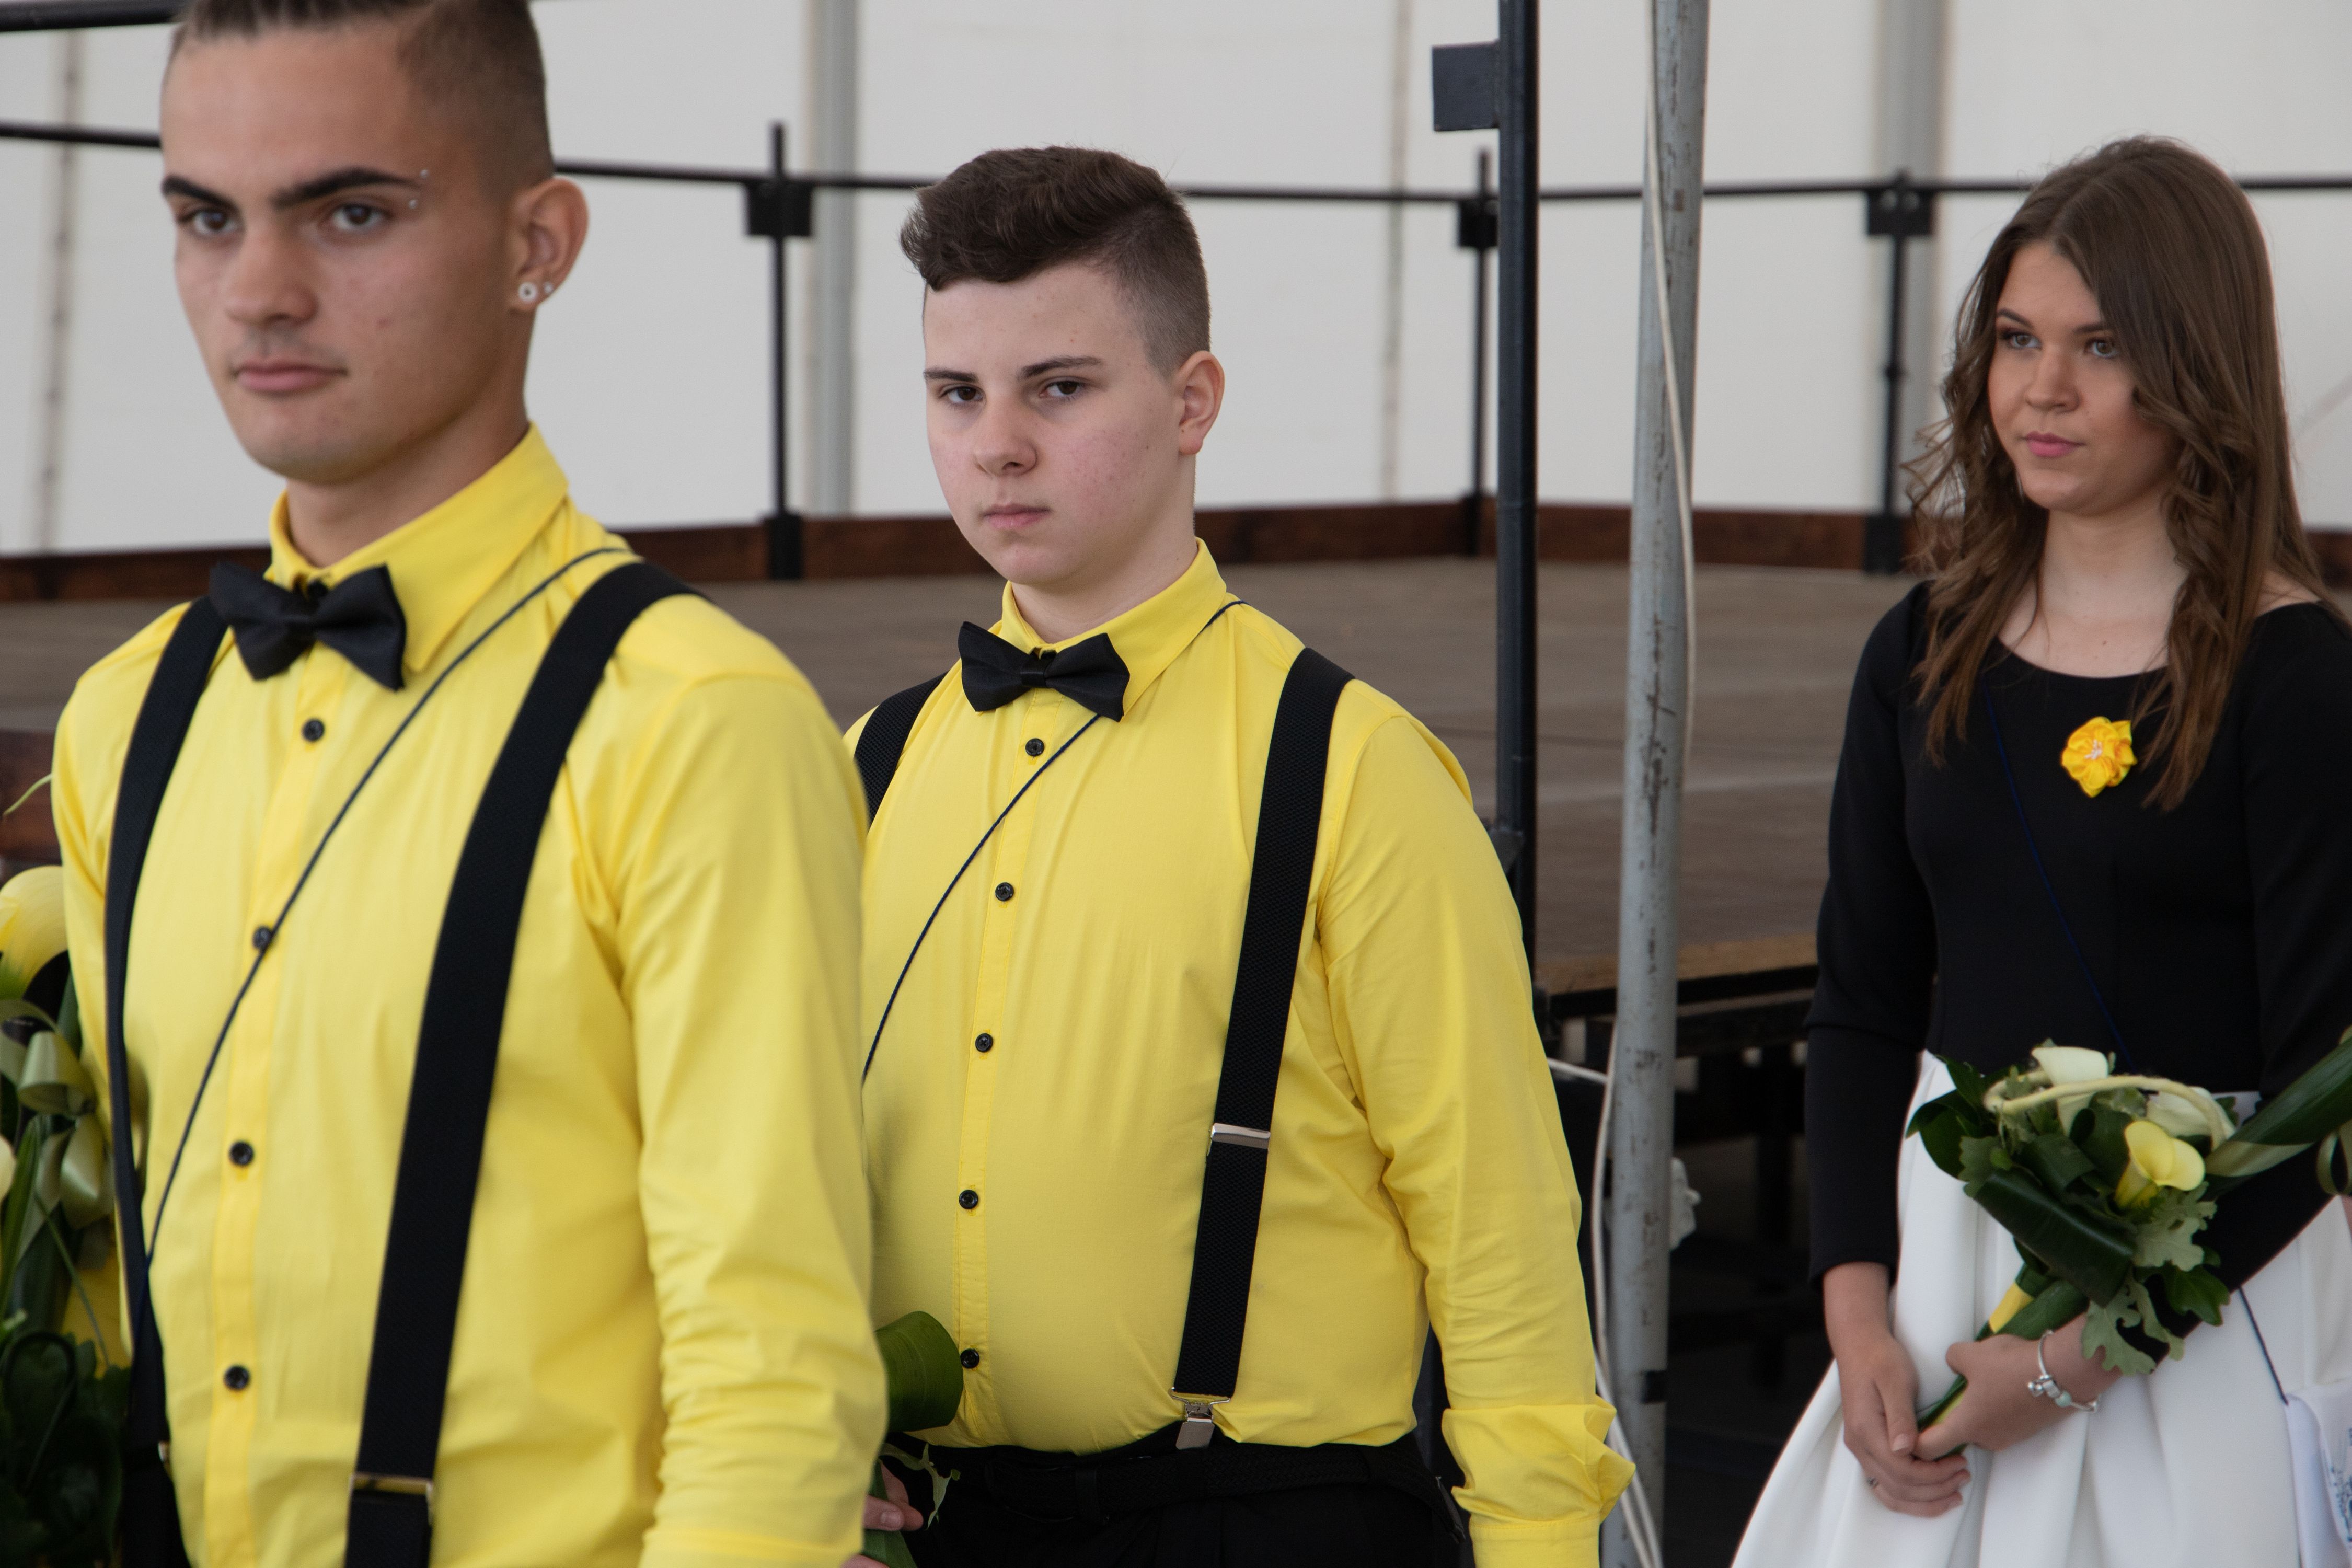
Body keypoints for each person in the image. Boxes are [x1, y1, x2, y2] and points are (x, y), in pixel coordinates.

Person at [51, 2, 883, 1564]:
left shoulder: (694, 724)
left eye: (350, 213)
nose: (259, 291)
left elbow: (774, 1379)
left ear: (536, 243)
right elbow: (113, 1297)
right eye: (206, 218)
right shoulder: (125, 719)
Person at [845, 146, 1632, 1568]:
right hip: (936, 1525)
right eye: (956, 393)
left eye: (1058, 389)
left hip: (1266, 1525)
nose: (997, 444)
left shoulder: (1350, 766)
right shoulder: (869, 766)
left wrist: (1538, 1546)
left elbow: (1495, 1221)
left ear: (1191, 400)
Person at [1734, 137, 2352, 1566]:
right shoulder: (1920, 649)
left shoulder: (2294, 679)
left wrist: (2078, 1361)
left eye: (2101, 345)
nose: (2043, 389)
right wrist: (1857, 1313)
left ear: (2196, 370)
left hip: (2207, 1294)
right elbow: (1861, 1001)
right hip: (1950, 1273)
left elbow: (2327, 1094)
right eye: (2017, 339)